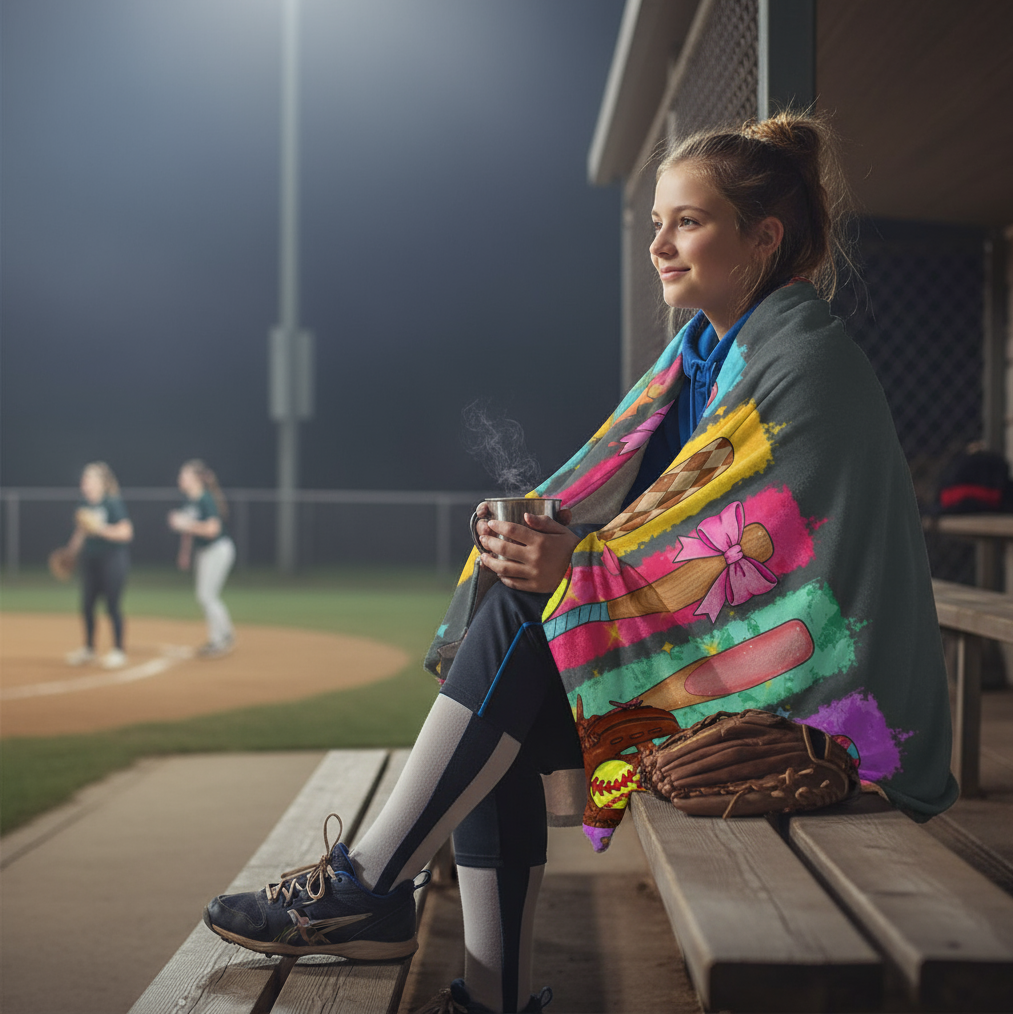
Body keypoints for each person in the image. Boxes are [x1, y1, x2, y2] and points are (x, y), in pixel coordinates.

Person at [202, 112, 957, 1014]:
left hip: (826, 698)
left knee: (530, 631)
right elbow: (645, 502)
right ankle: (482, 985)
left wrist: (577, 566)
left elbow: (759, 555)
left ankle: (372, 886)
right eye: (657, 224)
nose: (661, 244)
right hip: (739, 652)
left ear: (765, 238)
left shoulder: (804, 357)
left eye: (689, 222)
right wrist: (542, 535)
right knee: (517, 663)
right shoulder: (705, 352)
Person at [65, 462, 133, 669]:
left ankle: (118, 650)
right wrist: (70, 553)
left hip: (113, 560)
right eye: (84, 479)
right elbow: (81, 532)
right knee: (86, 605)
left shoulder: (112, 503)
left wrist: (101, 528)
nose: (84, 483)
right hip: (90, 560)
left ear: (101, 482)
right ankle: (89, 649)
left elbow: (126, 532)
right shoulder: (84, 503)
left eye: (89, 478)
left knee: (112, 606)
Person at [168, 459, 235, 657]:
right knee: (206, 596)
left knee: (207, 596)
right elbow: (189, 532)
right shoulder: (189, 499)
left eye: (185, 475)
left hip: (218, 549)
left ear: (197, 479)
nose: (181, 478)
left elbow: (212, 530)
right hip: (204, 552)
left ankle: (220, 639)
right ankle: (225, 634)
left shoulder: (206, 498)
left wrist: (185, 524)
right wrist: (184, 553)